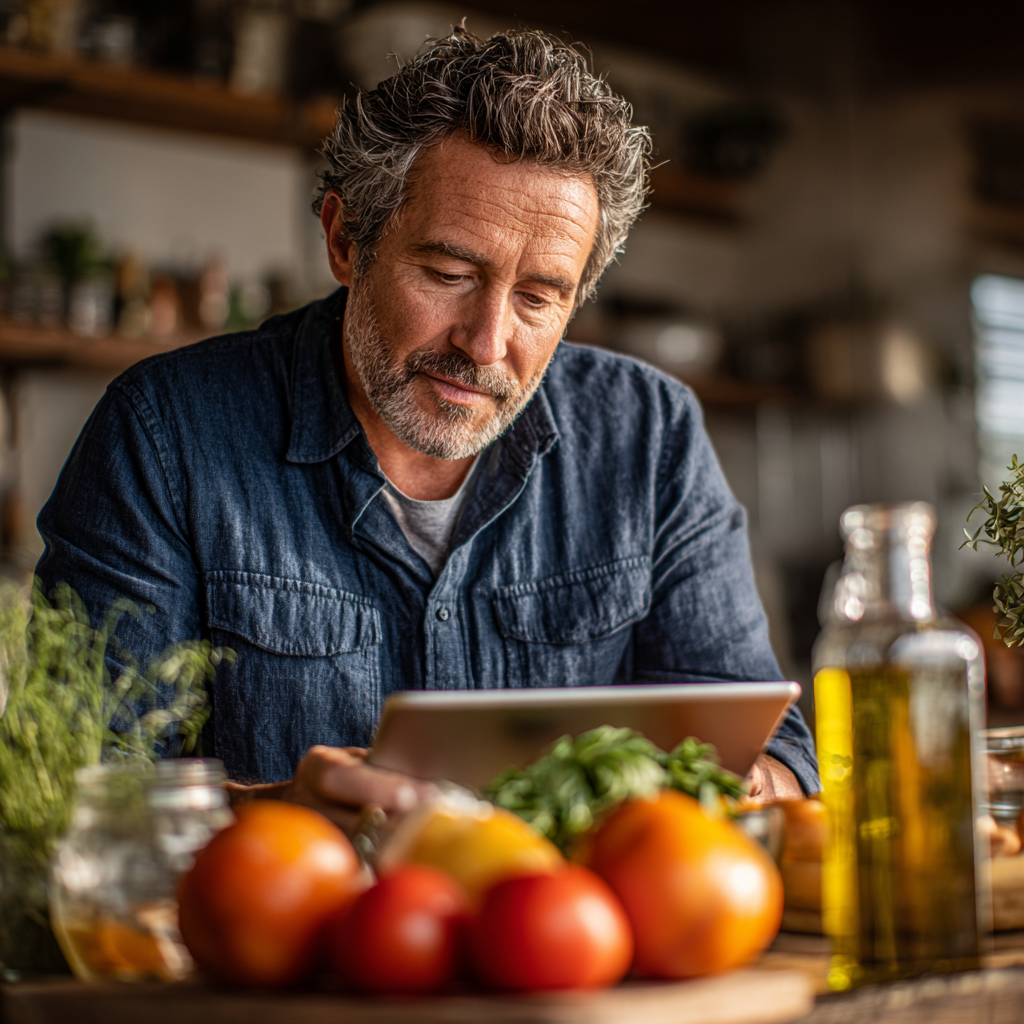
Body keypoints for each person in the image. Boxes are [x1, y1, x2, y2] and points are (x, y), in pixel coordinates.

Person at [36, 27, 817, 832]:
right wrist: (274, 818)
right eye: (449, 275)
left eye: (539, 297)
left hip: (580, 946)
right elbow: (77, 795)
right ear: (346, 240)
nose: (485, 344)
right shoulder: (165, 435)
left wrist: (744, 787)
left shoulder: (650, 435)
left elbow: (779, 752)